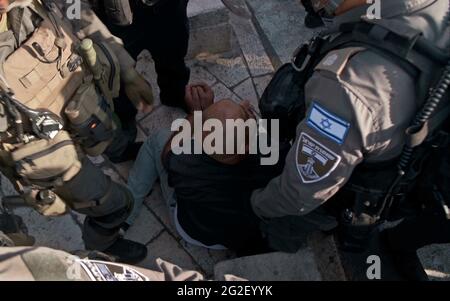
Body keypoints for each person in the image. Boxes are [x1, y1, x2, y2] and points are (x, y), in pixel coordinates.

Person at [249, 0, 450, 278]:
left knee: (280, 225)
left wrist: (258, 204)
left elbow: (301, 192)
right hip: (398, 163)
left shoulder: (346, 88)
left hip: (340, 193)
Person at [0, 0, 155, 263]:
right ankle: (105, 245)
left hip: (82, 106)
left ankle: (119, 151)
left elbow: (77, 13)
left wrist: (126, 69)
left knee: (112, 136)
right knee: (114, 205)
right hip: (43, 148)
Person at [126, 83, 288, 254]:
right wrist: (248, 122)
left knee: (157, 140)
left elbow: (168, 152)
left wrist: (196, 113)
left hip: (193, 231)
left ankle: (125, 211)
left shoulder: (183, 163)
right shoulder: (272, 156)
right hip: (233, 238)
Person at [92, 0, 191, 109]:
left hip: (168, 7)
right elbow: (75, 9)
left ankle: (175, 96)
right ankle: (126, 117)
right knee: (118, 76)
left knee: (173, 56)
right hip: (116, 14)